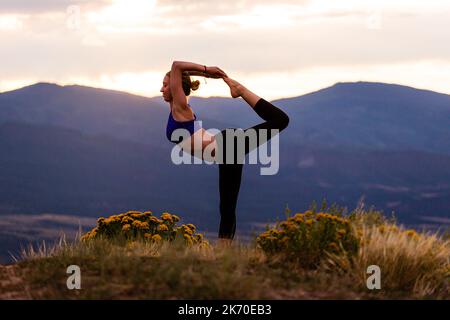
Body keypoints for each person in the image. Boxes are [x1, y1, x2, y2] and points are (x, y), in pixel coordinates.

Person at [161, 61, 289, 246]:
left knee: (280, 120)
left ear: (175, 87)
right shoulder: (174, 108)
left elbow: (176, 66)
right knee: (227, 207)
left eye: (166, 85)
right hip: (227, 152)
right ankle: (222, 255)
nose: (161, 89)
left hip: (228, 145)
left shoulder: (181, 107)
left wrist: (207, 71)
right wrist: (203, 75)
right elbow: (179, 72)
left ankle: (241, 90)